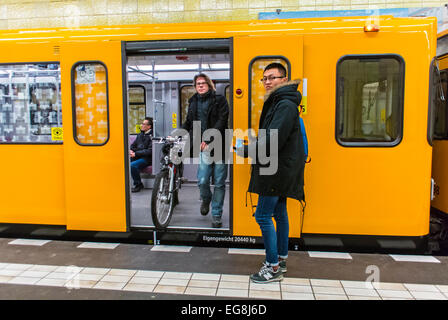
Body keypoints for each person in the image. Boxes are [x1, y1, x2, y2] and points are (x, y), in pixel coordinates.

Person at [236, 63, 305, 283]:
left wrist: (245, 149)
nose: (267, 82)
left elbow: (273, 141)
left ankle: (273, 267)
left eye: (272, 77)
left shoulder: (283, 104)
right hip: (280, 167)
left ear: (284, 79)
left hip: (275, 169)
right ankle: (281, 259)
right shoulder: (281, 102)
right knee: (279, 213)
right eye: (264, 78)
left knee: (263, 215)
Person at [179, 73, 229, 228]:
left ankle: (216, 214)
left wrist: (208, 139)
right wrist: (179, 133)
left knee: (219, 183)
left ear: (209, 84)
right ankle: (206, 198)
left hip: (219, 144)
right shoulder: (193, 101)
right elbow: (188, 122)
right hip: (203, 147)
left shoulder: (219, 100)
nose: (200, 86)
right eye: (197, 84)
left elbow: (222, 120)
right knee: (202, 180)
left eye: (202, 83)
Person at [130, 117, 153, 193]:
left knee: (132, 165)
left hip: (147, 159)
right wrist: (131, 151)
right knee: (123, 161)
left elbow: (149, 151)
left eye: (143, 124)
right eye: (142, 124)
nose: (141, 125)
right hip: (137, 156)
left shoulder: (152, 136)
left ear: (149, 126)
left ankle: (138, 184)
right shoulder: (140, 135)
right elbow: (133, 146)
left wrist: (136, 153)